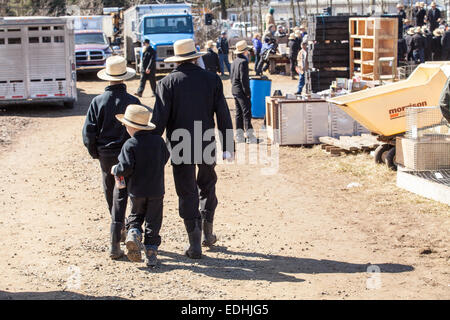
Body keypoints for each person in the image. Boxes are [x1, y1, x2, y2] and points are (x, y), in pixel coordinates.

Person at [151, 39, 234, 259]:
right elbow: (223, 115)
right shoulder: (212, 80)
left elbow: (158, 122)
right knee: (207, 184)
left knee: (186, 191)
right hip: (206, 140)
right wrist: (228, 146)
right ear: (196, 57)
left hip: (179, 145)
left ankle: (194, 243)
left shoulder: (166, 83)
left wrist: (149, 149)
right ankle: (208, 233)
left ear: (177, 60)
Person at [82, 56, 140, 260]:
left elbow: (89, 132)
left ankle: (118, 233)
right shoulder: (133, 102)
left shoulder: (97, 102)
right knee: (131, 191)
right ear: (125, 78)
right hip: (129, 153)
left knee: (112, 191)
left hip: (106, 156)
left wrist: (95, 153)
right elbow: (141, 130)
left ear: (107, 78)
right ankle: (133, 228)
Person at [112, 104, 169, 267]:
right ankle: (151, 253)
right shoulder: (158, 141)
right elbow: (165, 157)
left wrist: (115, 169)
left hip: (136, 189)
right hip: (157, 189)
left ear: (130, 126)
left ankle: (133, 233)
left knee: (136, 215)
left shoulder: (130, 144)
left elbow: (125, 168)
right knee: (153, 220)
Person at [230, 40, 259, 144]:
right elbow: (244, 79)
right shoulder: (243, 62)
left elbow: (231, 77)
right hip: (241, 90)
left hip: (234, 89)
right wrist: (247, 92)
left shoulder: (234, 61)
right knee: (247, 112)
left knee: (238, 113)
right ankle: (250, 137)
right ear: (245, 51)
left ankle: (239, 136)